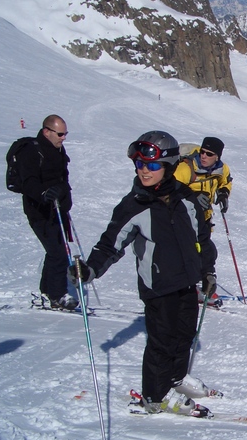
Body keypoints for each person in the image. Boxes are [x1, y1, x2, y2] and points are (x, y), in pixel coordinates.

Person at [70, 131, 219, 417]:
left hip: (187, 281)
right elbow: (110, 244)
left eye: (151, 166)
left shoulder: (187, 199)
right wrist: (90, 270)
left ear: (170, 166)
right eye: (138, 165)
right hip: (158, 284)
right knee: (161, 342)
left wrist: (207, 271)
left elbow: (202, 239)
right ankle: (154, 395)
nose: (143, 171)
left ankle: (175, 379)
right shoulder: (134, 205)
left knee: (185, 333)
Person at [18, 115, 77, 310]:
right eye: (60, 134)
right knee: (57, 253)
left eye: (65, 134)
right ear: (47, 131)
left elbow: (63, 178)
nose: (63, 138)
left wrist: (64, 196)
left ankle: (46, 290)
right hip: (39, 210)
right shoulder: (32, 151)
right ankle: (57, 295)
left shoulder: (58, 150)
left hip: (57, 209)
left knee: (57, 250)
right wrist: (44, 194)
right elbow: (29, 181)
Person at [174, 137, 232, 306]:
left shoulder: (221, 169)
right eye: (202, 152)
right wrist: (193, 197)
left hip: (204, 219)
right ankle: (186, 288)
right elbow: (172, 187)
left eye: (209, 154)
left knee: (207, 252)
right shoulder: (186, 168)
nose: (204, 156)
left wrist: (223, 194)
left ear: (217, 157)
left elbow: (226, 181)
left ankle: (204, 286)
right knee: (187, 253)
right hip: (182, 219)